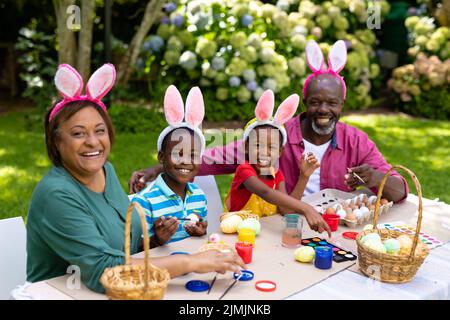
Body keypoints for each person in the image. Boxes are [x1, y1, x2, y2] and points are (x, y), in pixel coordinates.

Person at [130, 40, 408, 227]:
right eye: (315, 102)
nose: (323, 110)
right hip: (285, 224)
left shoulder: (356, 141)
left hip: (333, 227)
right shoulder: (276, 136)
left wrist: (375, 178)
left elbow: (399, 190)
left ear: (342, 104)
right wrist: (159, 167)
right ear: (305, 102)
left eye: (331, 103)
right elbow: (218, 157)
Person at [26, 64, 245, 293]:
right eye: (78, 133)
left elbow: (125, 242)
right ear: (56, 142)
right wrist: (191, 263)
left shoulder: (105, 171)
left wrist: (158, 240)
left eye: (100, 130)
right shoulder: (56, 195)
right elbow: (107, 272)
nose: (93, 142)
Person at [223, 90, 330, 235]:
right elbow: (265, 192)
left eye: (271, 147)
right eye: (257, 145)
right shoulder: (245, 170)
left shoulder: (276, 174)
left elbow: (287, 210)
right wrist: (306, 208)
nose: (264, 152)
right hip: (236, 235)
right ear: (247, 147)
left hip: (263, 236)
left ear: (280, 151)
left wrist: (303, 177)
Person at [131, 86, 208, 246]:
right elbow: (134, 249)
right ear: (161, 157)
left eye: (193, 155)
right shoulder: (144, 201)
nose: (186, 161)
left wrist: (201, 231)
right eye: (178, 154)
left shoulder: (199, 196)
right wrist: (157, 240)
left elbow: (202, 235)